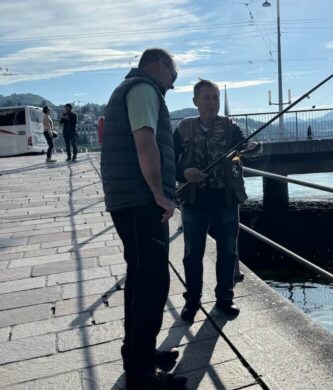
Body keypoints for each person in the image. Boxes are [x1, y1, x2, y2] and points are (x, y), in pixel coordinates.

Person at [100, 48, 186, 390]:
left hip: (132, 199)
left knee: (141, 280)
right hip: (140, 201)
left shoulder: (133, 88)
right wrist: (159, 194)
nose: (171, 84)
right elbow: (145, 142)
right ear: (159, 64)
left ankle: (141, 354)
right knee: (150, 284)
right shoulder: (143, 88)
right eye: (173, 76)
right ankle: (141, 375)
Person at [174, 79, 251, 322]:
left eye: (215, 98)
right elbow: (169, 160)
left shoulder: (230, 126)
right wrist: (184, 174)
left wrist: (252, 148)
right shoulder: (184, 128)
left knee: (228, 252)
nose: (211, 102)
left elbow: (244, 145)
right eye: (206, 98)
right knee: (192, 254)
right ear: (195, 101)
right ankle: (192, 301)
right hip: (194, 202)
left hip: (226, 200)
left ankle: (225, 299)